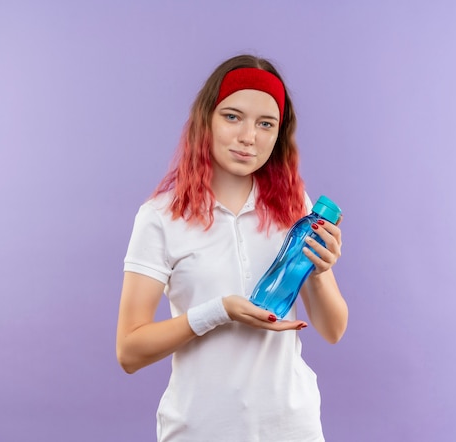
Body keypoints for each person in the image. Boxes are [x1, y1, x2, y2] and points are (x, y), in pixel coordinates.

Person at [116, 54, 348, 442]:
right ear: (206, 119)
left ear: (278, 135)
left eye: (265, 124)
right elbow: (129, 351)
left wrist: (320, 272)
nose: (248, 137)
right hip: (200, 429)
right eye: (232, 117)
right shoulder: (160, 217)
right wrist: (218, 311)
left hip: (292, 427)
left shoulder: (295, 208)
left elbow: (333, 329)